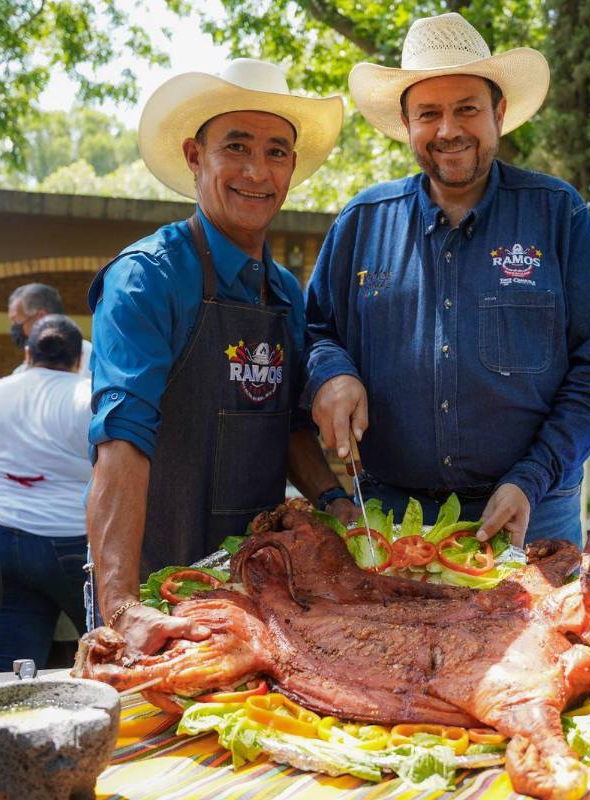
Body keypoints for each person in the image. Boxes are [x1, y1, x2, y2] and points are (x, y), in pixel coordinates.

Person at [306, 13, 590, 549]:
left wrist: (532, 476)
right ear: (407, 124)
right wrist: (332, 371)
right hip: (392, 517)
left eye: (467, 109)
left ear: (498, 113)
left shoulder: (559, 216)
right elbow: (316, 329)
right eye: (428, 113)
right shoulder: (362, 223)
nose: (448, 129)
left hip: (533, 510)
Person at [87, 59, 357, 655]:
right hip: (157, 594)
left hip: (256, 593)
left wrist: (336, 506)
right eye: (237, 147)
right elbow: (121, 442)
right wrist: (123, 606)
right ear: (194, 155)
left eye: (277, 152)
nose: (258, 171)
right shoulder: (146, 280)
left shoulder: (285, 291)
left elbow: (285, 426)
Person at [0, 314, 91, 673]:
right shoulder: (88, 397)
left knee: (2, 665)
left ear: (27, 354)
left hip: (0, 535)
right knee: (108, 648)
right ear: (78, 358)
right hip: (71, 540)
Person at [9, 283, 92, 377]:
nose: (14, 328)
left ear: (41, 317)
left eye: (16, 320)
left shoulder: (89, 356)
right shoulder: (20, 372)